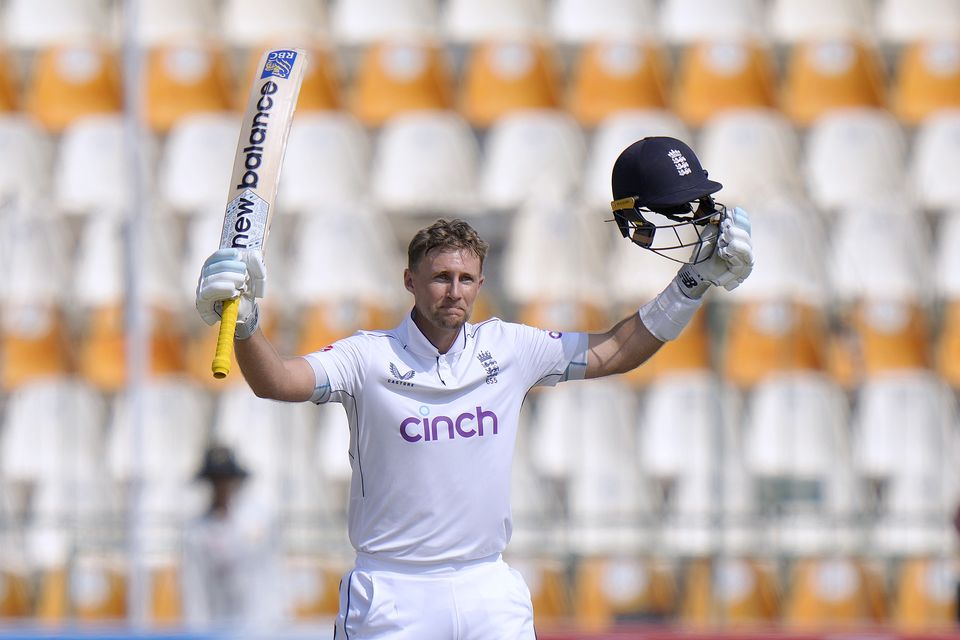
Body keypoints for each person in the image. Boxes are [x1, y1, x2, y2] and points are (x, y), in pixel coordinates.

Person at [194, 136, 754, 638]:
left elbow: (617, 350)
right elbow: (277, 381)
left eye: (465, 279)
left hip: (488, 587)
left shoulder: (508, 348)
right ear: (410, 281)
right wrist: (244, 328)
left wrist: (692, 282)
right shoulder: (367, 357)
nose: (453, 292)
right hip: (392, 592)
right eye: (439, 277)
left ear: (481, 283)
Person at [180, 444, 287, 631]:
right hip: (220, 626)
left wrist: (279, 620)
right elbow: (194, 588)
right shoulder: (197, 533)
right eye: (216, 481)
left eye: (226, 480)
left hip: (263, 623)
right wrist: (198, 630)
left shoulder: (260, 520)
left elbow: (274, 573)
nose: (222, 487)